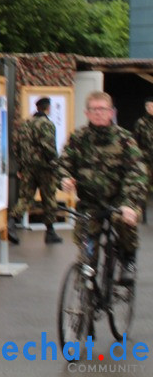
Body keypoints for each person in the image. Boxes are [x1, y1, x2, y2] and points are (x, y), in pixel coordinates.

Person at [59, 92, 148, 283]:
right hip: (90, 203)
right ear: (87, 113)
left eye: (103, 109)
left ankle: (127, 259)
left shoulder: (124, 139)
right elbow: (64, 162)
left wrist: (129, 203)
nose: (98, 113)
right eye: (94, 109)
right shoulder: (79, 138)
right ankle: (88, 291)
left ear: (111, 112)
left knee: (123, 221)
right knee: (86, 246)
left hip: (119, 201)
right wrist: (65, 178)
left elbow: (137, 172)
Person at [12, 97, 62, 244]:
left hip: (28, 167)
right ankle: (50, 232)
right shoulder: (46, 124)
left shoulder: (25, 124)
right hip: (45, 168)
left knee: (25, 198)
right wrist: (55, 162)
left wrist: (21, 166)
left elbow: (17, 147)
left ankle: (11, 222)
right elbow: (49, 147)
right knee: (49, 199)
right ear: (48, 108)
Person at [132, 97, 153, 222]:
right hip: (146, 160)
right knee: (144, 187)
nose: (151, 108)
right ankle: (143, 214)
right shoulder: (141, 123)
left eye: (152, 106)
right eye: (148, 106)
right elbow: (136, 141)